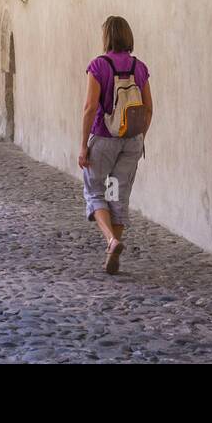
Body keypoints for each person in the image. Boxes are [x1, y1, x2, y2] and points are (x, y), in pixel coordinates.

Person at [79, 15, 152, 274]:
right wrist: (139, 137)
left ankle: (111, 240)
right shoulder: (139, 67)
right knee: (118, 196)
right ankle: (114, 248)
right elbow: (149, 109)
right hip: (132, 141)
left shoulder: (99, 66)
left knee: (95, 191)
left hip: (104, 137)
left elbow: (89, 108)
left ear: (106, 37)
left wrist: (83, 145)